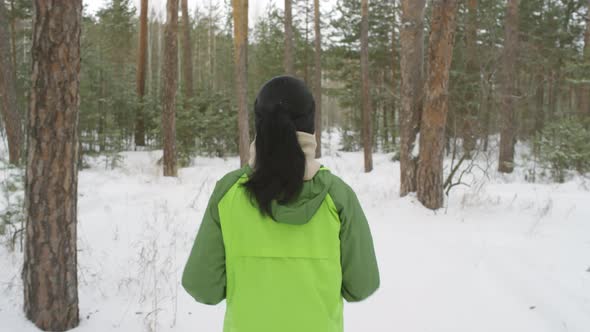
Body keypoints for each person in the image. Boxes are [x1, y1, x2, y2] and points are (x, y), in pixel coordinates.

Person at [182, 76, 379, 332]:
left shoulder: (228, 192)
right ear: (311, 126)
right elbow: (362, 285)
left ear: (258, 125)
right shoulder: (338, 196)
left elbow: (202, 286)